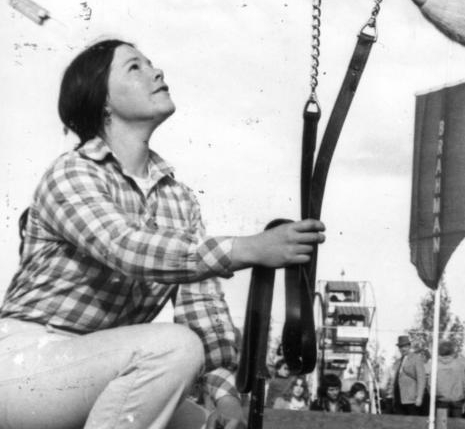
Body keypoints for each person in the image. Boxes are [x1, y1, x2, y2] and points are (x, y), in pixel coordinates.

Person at [0, 39, 326, 429]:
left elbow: (201, 307)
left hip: (105, 370)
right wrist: (251, 249)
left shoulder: (179, 199)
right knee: (174, 347)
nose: (157, 72)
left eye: (151, 63)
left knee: (202, 425)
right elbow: (125, 248)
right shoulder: (72, 173)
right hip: (24, 367)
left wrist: (225, 399)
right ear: (101, 100)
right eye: (134, 67)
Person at [393, 334, 430, 415]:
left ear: (409, 346)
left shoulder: (416, 358)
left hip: (412, 400)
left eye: (405, 346)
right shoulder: (398, 361)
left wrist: (419, 397)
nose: (403, 349)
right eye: (401, 347)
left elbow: (421, 378)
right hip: (399, 399)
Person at [435, 340, 465, 417]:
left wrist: (435, 395)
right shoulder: (458, 365)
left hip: (441, 399)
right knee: (457, 425)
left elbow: (430, 384)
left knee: (442, 424)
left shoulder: (435, 366)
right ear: (452, 351)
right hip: (457, 399)